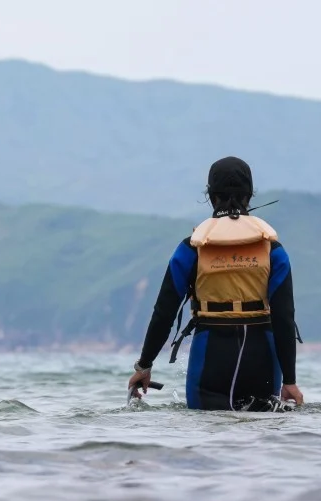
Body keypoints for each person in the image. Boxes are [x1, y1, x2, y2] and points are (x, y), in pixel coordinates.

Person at [128, 156, 303, 411]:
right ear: (249, 196)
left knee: (207, 438)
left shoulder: (191, 249)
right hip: (262, 357)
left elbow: (164, 312)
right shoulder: (273, 250)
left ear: (211, 196)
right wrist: (290, 380)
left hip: (211, 355)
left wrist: (144, 365)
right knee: (262, 442)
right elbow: (285, 317)